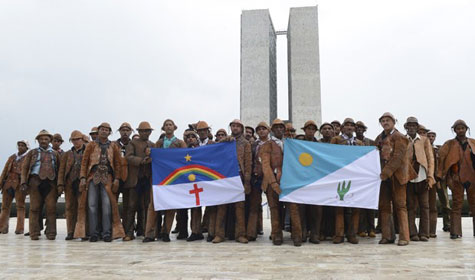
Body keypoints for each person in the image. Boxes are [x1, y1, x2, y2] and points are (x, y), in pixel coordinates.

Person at [75, 122, 125, 242]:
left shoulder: (113, 146)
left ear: (109, 132)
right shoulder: (91, 145)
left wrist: (117, 179)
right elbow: (84, 162)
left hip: (108, 177)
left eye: (106, 130)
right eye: (102, 129)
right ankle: (93, 233)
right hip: (93, 176)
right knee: (91, 205)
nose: (104, 131)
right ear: (99, 131)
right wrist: (82, 177)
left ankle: (107, 233)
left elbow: (118, 164)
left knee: (107, 206)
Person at [375, 113, 416, 246]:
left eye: (388, 120)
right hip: (383, 177)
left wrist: (386, 172)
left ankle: (404, 236)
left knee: (400, 205)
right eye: (383, 121)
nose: (385, 123)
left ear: (394, 122)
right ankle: (387, 236)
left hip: (398, 176)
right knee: (384, 206)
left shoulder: (400, 137)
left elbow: (398, 157)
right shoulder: (379, 137)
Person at [143, 119, 187, 242]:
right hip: (158, 179)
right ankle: (149, 234)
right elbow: (151, 159)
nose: (168, 127)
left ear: (174, 127)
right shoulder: (158, 143)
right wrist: (149, 155)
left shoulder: (180, 143)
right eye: (166, 125)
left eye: (170, 125)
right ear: (163, 128)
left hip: (173, 179)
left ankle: (166, 232)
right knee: (153, 205)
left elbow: (185, 158)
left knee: (170, 206)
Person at [212, 119, 251, 244]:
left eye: (237, 126)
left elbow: (248, 163)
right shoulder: (226, 142)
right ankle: (219, 234)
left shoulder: (245, 144)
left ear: (241, 128)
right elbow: (214, 149)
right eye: (233, 126)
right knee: (222, 206)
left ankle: (240, 234)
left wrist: (247, 181)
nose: (235, 128)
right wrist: (224, 140)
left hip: (239, 176)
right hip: (225, 176)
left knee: (239, 207)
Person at [437, 120, 475, 239]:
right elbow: (441, 158)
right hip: (456, 178)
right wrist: (440, 175)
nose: (460, 130)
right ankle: (455, 231)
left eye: (462, 128)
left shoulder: (472, 142)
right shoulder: (449, 144)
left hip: (472, 177)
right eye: (458, 128)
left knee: (474, 204)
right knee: (456, 204)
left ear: (466, 129)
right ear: (455, 130)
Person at [20, 130, 60, 240]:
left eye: (46, 139)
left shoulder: (55, 154)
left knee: (51, 208)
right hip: (35, 182)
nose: (43, 141)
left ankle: (51, 233)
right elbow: (25, 168)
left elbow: (60, 169)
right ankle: (34, 232)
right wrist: (23, 182)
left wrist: (60, 185)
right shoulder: (32, 153)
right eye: (41, 139)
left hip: (51, 183)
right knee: (34, 208)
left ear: (50, 141)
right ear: (37, 140)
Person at [330, 118, 363, 244]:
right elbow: (331, 155)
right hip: (340, 176)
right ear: (342, 128)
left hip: (355, 177)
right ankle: (339, 234)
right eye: (347, 125)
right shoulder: (336, 140)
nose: (349, 127)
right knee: (340, 206)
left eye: (351, 126)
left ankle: (352, 234)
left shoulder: (359, 143)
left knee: (355, 207)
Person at [404, 117, 435, 242]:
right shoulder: (403, 139)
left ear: (417, 127)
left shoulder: (424, 140)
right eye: (409, 126)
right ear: (406, 127)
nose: (411, 128)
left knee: (425, 206)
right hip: (408, 177)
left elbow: (430, 159)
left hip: (422, 176)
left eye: (414, 126)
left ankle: (424, 233)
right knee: (410, 207)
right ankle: (412, 233)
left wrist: (430, 176)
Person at [123, 122, 155, 241]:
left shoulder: (153, 145)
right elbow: (129, 157)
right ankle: (129, 232)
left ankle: (147, 231)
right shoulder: (132, 143)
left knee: (148, 206)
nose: (144, 133)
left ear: (150, 132)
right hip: (135, 180)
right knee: (131, 206)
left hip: (148, 179)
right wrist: (142, 161)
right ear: (139, 132)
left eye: (147, 131)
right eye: (142, 131)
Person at [57, 130, 86, 240]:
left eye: (78, 139)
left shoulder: (87, 151)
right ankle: (70, 232)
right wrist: (60, 184)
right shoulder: (67, 154)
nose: (76, 142)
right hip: (69, 183)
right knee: (69, 208)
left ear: (82, 139)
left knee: (82, 207)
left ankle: (82, 232)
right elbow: (61, 170)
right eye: (73, 140)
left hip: (82, 183)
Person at [0, 140, 29, 234]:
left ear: (26, 147)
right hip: (8, 184)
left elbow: (29, 173)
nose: (20, 147)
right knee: (5, 207)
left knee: (20, 206)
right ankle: (2, 228)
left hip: (19, 185)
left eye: (23, 146)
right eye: (19, 145)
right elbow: (4, 171)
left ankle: (19, 229)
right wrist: (0, 183)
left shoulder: (28, 158)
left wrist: (26, 185)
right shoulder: (12, 157)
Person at [300, 120, 322, 244]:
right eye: (308, 129)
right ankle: (303, 232)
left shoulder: (319, 145)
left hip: (316, 181)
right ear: (304, 130)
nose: (310, 131)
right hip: (302, 180)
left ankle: (315, 234)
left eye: (313, 129)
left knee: (316, 209)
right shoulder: (298, 144)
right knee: (302, 209)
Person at [355, 121, 377, 238]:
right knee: (360, 205)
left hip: (369, 176)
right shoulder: (352, 142)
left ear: (364, 130)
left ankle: (371, 229)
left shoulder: (371, 142)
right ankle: (361, 229)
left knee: (370, 205)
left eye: (361, 128)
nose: (359, 130)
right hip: (358, 176)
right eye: (357, 128)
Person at [427, 130, 451, 235]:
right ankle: (428, 227)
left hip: (440, 180)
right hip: (429, 180)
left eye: (433, 136)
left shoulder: (439, 149)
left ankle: (448, 224)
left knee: (445, 203)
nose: (431, 138)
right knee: (429, 204)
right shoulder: (424, 148)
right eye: (429, 136)